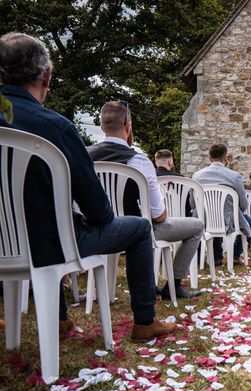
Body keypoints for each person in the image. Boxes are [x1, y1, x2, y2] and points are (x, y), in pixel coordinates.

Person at [0, 32, 174, 342]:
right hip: (49, 245)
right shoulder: (56, 128)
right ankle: (145, 321)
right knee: (136, 229)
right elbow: (97, 209)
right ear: (47, 76)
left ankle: (59, 319)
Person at [88, 101, 203, 299]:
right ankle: (173, 285)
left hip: (95, 232)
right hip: (135, 232)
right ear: (128, 125)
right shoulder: (139, 161)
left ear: (102, 127)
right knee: (197, 226)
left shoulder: (84, 156)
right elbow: (158, 215)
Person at [192, 144, 251, 264]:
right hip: (228, 220)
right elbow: (243, 205)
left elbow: (192, 203)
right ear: (226, 158)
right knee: (249, 221)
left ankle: (216, 257)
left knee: (211, 219)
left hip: (203, 220)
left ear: (209, 158)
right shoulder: (235, 176)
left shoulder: (197, 176)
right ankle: (235, 256)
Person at [155, 149, 194, 218]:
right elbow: (187, 206)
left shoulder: (150, 177)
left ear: (156, 162)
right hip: (179, 220)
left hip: (156, 219)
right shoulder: (181, 179)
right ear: (170, 162)